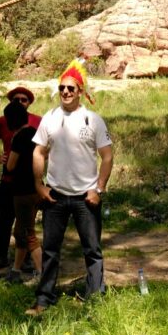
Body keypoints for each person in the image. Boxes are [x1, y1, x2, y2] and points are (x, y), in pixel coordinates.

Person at [26, 60, 113, 316]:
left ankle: (94, 299)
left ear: (80, 91)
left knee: (93, 251)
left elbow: (107, 156)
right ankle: (44, 299)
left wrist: (99, 189)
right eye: (62, 88)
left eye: (71, 89)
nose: (65, 92)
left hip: (86, 197)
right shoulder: (49, 119)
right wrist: (38, 185)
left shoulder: (93, 120)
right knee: (50, 250)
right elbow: (38, 152)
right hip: (55, 196)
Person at [0, 86, 42, 272]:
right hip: (9, 182)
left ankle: (28, 262)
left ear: (29, 102)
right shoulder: (3, 120)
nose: (20, 102)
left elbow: (47, 146)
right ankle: (2, 257)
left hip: (28, 183)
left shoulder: (37, 121)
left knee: (25, 226)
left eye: (24, 99)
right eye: (16, 99)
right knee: (5, 220)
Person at [2, 101, 41, 284]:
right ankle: (16, 271)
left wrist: (7, 157)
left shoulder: (19, 137)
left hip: (22, 191)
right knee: (20, 232)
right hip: (36, 187)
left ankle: (42, 273)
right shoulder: (35, 133)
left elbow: (10, 166)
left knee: (27, 233)